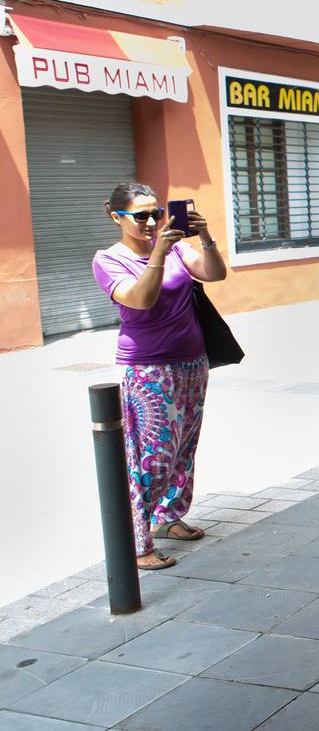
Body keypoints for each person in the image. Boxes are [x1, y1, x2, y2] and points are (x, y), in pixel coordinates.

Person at [91, 183, 227, 570]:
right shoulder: (108, 260)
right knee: (151, 455)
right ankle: (137, 540)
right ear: (116, 216)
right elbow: (141, 299)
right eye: (141, 216)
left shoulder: (179, 248)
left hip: (192, 360)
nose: (152, 223)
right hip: (149, 366)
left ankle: (169, 517)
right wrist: (160, 254)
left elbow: (214, 274)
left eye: (157, 213)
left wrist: (205, 237)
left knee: (184, 445)